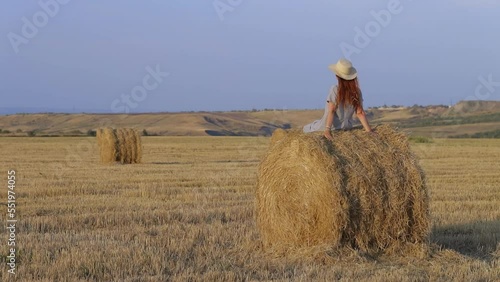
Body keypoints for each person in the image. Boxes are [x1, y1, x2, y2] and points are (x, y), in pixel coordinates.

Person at [303, 58, 375, 140]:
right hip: (346, 127)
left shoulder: (335, 89)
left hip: (331, 126)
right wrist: (369, 131)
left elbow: (332, 110)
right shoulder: (357, 91)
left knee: (306, 128)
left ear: (337, 76)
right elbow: (360, 113)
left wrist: (327, 130)